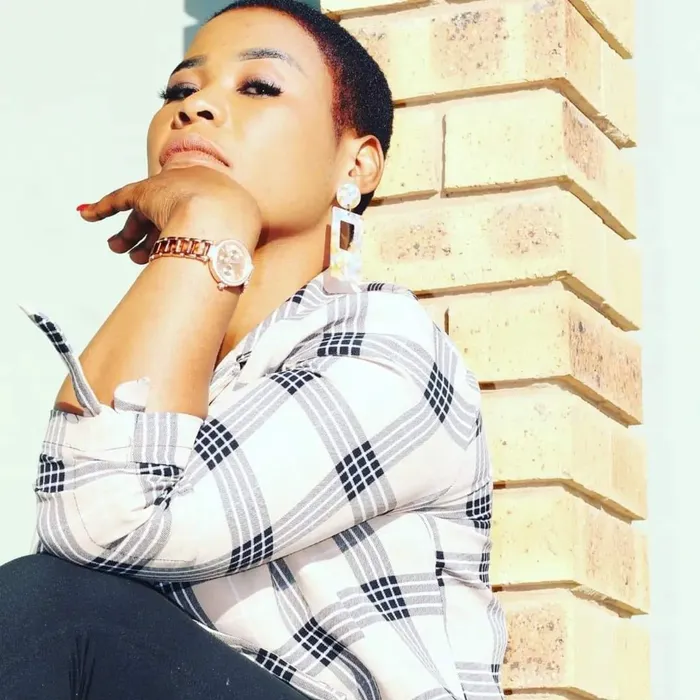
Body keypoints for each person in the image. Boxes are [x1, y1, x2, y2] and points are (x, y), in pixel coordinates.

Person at [0, 1, 507, 698]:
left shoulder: (391, 348)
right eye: (179, 90)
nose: (195, 107)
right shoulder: (183, 368)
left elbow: (102, 528)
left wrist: (209, 220)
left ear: (357, 164)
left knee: (55, 610)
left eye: (259, 87)